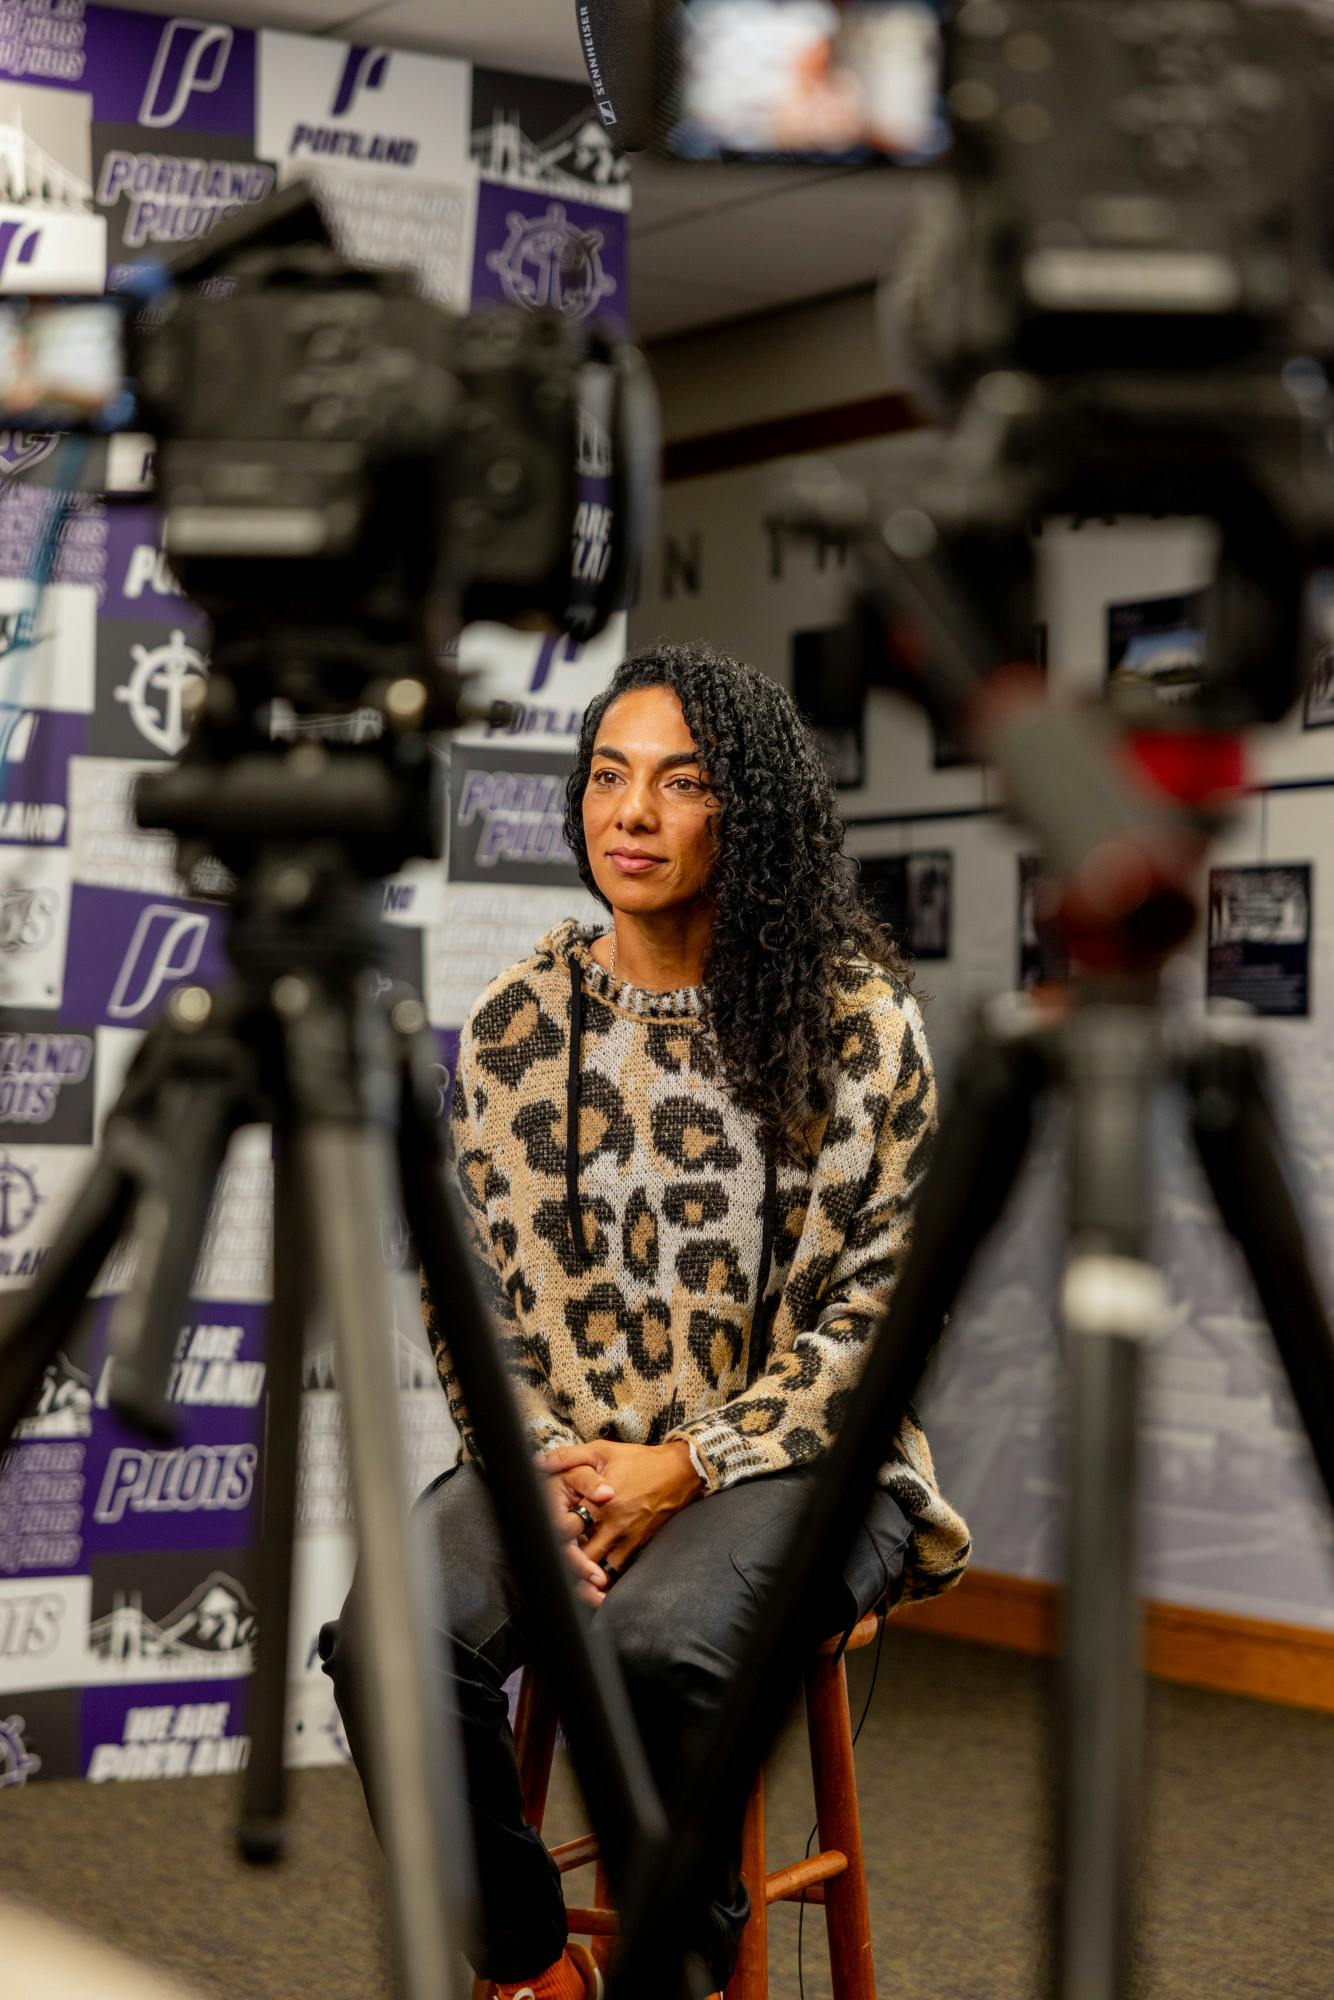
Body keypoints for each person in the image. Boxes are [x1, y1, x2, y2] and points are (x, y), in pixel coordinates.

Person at [321, 641, 970, 2000]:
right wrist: (545, 1460)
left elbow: (880, 1316)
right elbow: (472, 1295)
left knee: (662, 1646)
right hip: (563, 1457)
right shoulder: (516, 1024)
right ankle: (528, 1968)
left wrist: (689, 1464)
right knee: (387, 1639)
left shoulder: (858, 1028)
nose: (629, 814)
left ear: (749, 813)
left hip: (803, 1461)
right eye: (607, 778)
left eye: (678, 784)